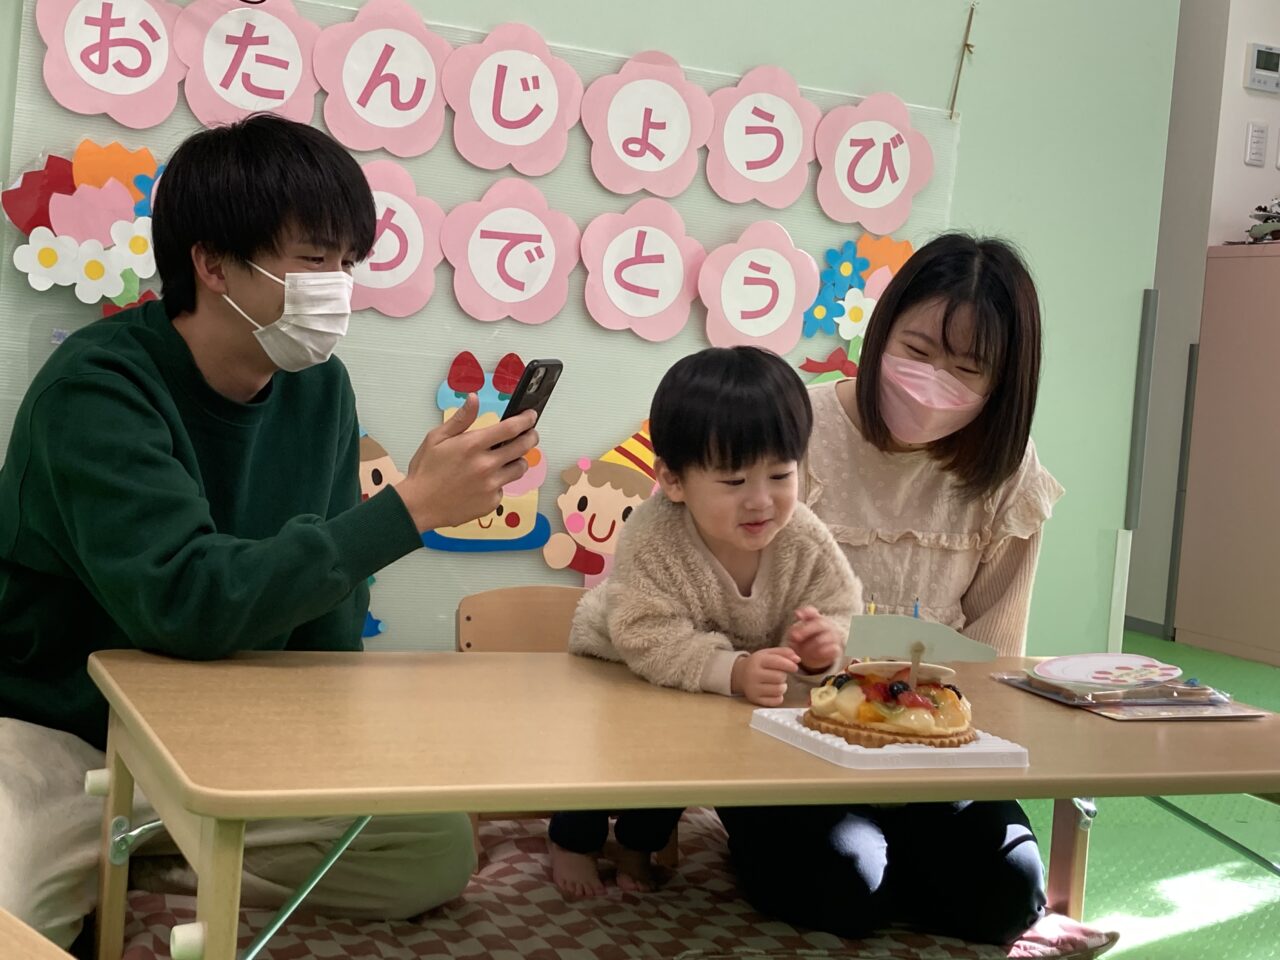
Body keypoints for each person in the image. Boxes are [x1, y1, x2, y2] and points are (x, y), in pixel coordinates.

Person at [0, 114, 538, 950]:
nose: (339, 287)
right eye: (315, 260)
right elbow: (184, 600)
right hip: (64, 731)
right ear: (212, 263)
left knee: (429, 848)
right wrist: (407, 511)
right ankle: (129, 842)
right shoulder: (97, 388)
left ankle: (149, 850)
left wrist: (336, 745)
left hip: (227, 729)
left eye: (348, 263)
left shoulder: (321, 390)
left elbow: (329, 609)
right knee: (13, 915)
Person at [717, 234, 1063, 944]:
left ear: (1003, 384)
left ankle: (907, 855)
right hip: (789, 742)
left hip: (934, 752)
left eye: (967, 368)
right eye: (918, 350)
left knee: (1007, 895)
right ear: (881, 333)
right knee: (848, 886)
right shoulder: (793, 431)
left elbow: (996, 651)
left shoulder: (1007, 475)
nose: (933, 381)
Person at [551, 346, 862, 898]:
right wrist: (735, 671)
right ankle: (572, 841)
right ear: (673, 481)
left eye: (780, 474)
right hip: (619, 659)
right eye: (734, 481)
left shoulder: (802, 537)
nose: (761, 501)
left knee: (680, 764)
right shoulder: (654, 535)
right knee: (604, 753)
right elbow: (647, 635)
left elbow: (837, 601)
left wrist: (823, 650)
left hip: (715, 672)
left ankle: (636, 845)